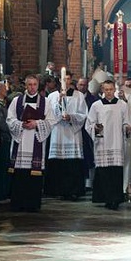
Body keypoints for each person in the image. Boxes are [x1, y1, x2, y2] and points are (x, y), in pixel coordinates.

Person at [6, 73, 57, 212]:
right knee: (20, 174)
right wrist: (20, 124)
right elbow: (10, 119)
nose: (32, 87)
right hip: (21, 140)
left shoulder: (45, 102)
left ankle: (33, 203)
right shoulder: (17, 100)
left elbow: (51, 121)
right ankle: (18, 202)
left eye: (34, 84)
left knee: (33, 175)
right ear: (25, 85)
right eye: (29, 84)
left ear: (38, 85)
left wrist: (37, 123)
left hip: (36, 139)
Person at [85, 79, 131, 210]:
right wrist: (95, 128)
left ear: (114, 89)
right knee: (103, 172)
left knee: (115, 172)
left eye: (111, 89)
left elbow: (127, 122)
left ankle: (116, 199)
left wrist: (127, 128)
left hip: (117, 142)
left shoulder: (123, 105)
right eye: (106, 90)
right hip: (102, 143)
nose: (109, 92)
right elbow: (89, 124)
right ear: (102, 90)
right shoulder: (96, 106)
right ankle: (104, 198)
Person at [46, 70, 87, 201]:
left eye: (68, 79)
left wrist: (71, 117)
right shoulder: (52, 96)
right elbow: (49, 115)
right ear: (59, 81)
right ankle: (57, 190)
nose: (66, 82)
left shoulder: (79, 95)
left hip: (72, 133)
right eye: (64, 79)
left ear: (71, 80)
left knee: (72, 164)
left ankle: (74, 190)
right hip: (57, 132)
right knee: (58, 164)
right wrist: (59, 103)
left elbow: (83, 114)